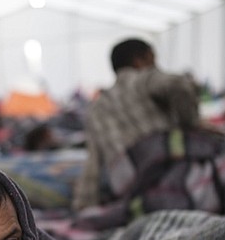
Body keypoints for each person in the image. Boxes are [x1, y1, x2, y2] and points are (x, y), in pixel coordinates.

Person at [73, 38, 203, 210]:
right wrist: (191, 125)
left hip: (132, 194)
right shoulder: (142, 79)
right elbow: (179, 85)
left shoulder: (96, 108)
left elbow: (93, 165)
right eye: (152, 59)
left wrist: (83, 207)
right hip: (171, 178)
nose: (156, 66)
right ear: (139, 61)